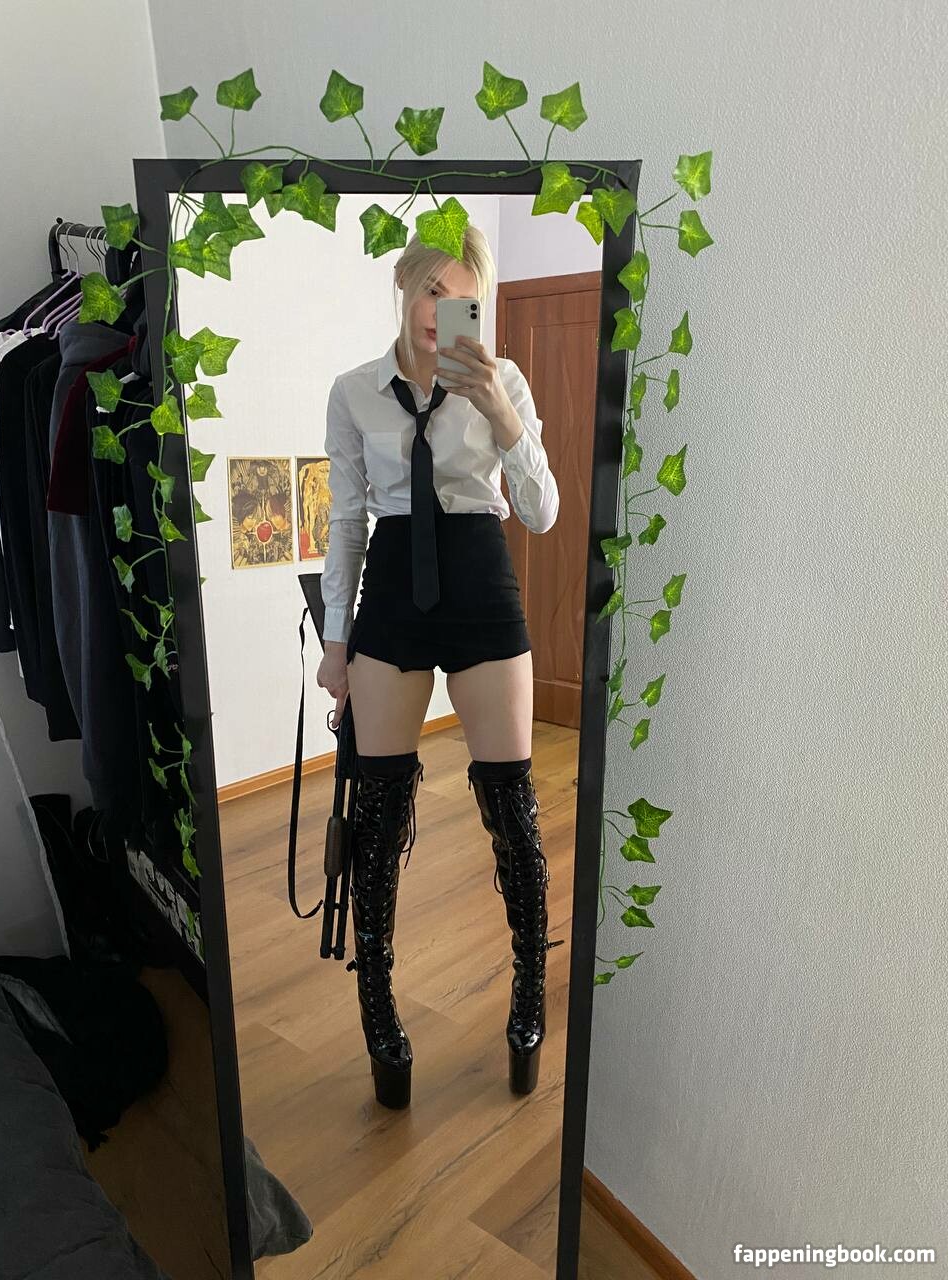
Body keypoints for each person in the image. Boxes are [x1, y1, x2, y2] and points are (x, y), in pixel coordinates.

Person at [315, 224, 562, 1110]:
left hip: (480, 580)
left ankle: (528, 996)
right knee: (378, 818)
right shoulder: (354, 392)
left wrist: (500, 412)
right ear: (404, 284)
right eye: (430, 289)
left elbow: (542, 510)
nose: (439, 310)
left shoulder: (504, 381)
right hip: (391, 588)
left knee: (513, 810)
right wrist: (336, 644)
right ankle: (378, 1008)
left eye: (461, 298)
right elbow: (347, 521)